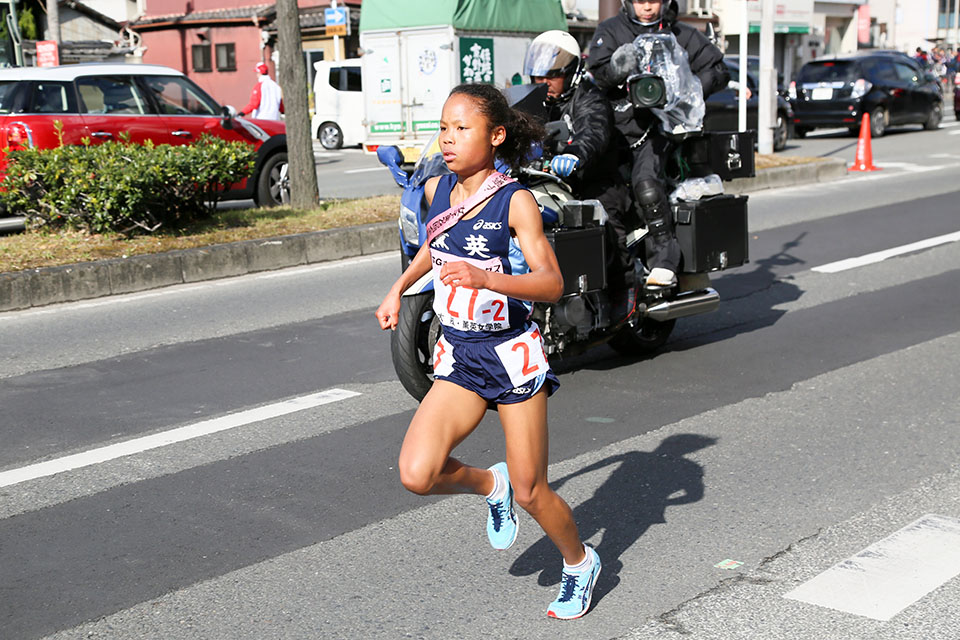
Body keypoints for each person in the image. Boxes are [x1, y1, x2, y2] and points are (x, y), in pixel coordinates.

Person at [375, 83, 602, 620]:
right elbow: (434, 246)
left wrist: (486, 278)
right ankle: (487, 483)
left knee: (531, 491)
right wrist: (398, 287)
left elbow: (552, 284)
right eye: (444, 128)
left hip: (510, 356)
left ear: (496, 136)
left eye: (462, 128)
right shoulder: (436, 190)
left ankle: (579, 562)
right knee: (417, 474)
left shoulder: (514, 200)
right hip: (460, 355)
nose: (448, 139)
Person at [587, 0, 728, 287]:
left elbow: (718, 70)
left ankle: (665, 260)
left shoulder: (682, 33)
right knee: (595, 192)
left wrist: (687, 89)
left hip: (661, 130)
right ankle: (615, 271)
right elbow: (597, 74)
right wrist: (616, 69)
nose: (647, 7)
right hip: (615, 129)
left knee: (647, 184)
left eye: (653, 0)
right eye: (640, 1)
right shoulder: (610, 30)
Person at [523, 29, 637, 318]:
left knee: (603, 221)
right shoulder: (533, 102)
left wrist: (575, 154)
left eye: (552, 76)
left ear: (572, 72)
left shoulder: (590, 98)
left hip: (595, 180)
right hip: (549, 181)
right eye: (538, 77)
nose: (544, 83)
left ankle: (623, 287)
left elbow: (594, 131)